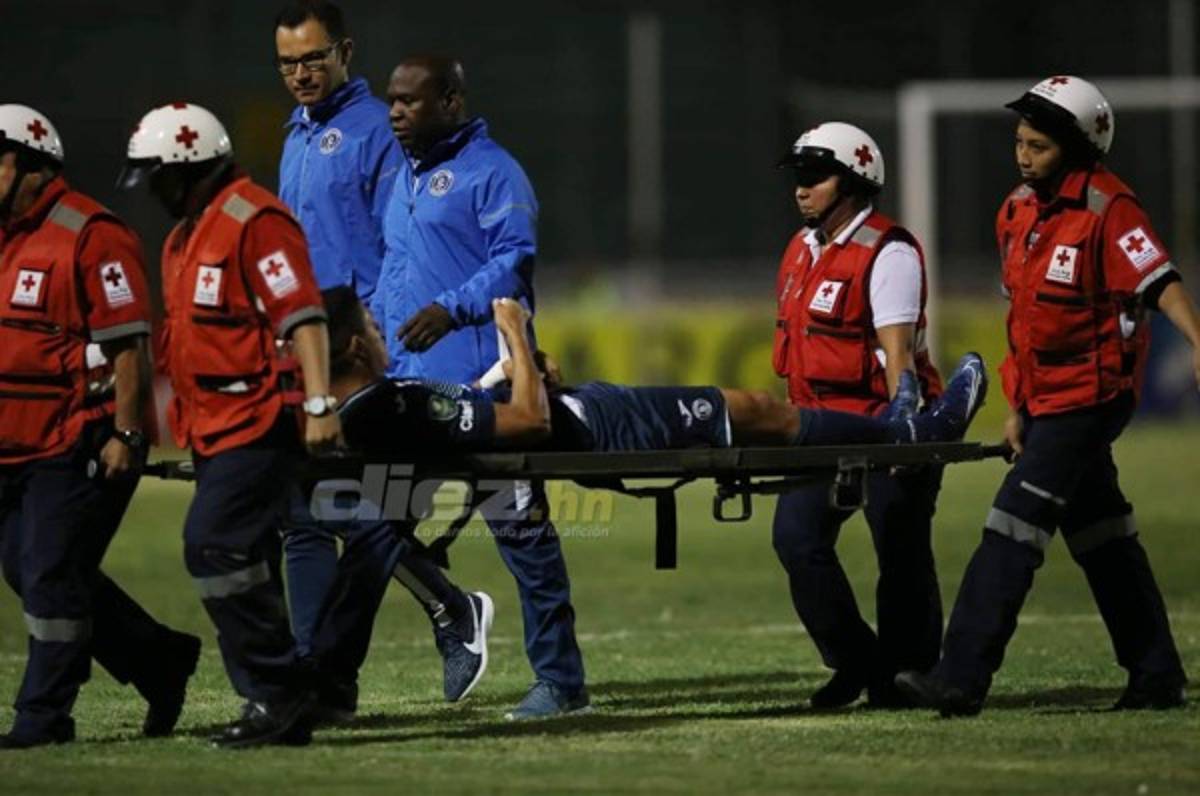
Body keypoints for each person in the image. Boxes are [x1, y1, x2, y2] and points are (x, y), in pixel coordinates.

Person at [896, 76, 1200, 716]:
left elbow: (1160, 280)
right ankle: (1156, 674)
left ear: (1079, 145)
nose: (1023, 155)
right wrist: (1020, 408)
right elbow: (1028, 326)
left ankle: (961, 677)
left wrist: (1199, 340)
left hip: (1090, 397)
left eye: (1037, 145)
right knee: (1101, 534)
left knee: (1013, 524)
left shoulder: (1108, 210)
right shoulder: (1017, 212)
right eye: (1018, 142)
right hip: (1048, 401)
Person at [119, 102, 342, 748]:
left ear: (191, 167)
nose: (154, 193)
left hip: (260, 419)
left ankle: (281, 690)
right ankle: (273, 703)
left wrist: (321, 404)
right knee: (245, 556)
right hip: (212, 426)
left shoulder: (254, 221)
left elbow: (302, 315)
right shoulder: (184, 237)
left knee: (213, 544)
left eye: (158, 178)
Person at [376, 55, 588, 719]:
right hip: (410, 389)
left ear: (452, 102)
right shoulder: (400, 180)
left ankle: (561, 683)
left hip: (487, 388)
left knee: (525, 541)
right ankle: (453, 611)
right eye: (392, 101)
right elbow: (390, 275)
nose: (396, 112)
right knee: (369, 529)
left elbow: (515, 265)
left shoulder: (494, 172)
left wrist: (453, 306)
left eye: (412, 101)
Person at [0, 105, 200, 748]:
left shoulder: (90, 234)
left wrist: (128, 434)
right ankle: (159, 659)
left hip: (78, 435)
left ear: (34, 167)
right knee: (30, 568)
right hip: (14, 440)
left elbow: (129, 349)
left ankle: (42, 717)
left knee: (52, 571)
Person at [322, 287, 988, 466]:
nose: (385, 337)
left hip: (587, 413)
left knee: (758, 408)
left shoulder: (379, 404)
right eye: (374, 331)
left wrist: (519, 370)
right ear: (354, 347)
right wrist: (517, 337)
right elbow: (528, 422)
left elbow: (488, 412)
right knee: (758, 408)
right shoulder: (385, 406)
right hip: (597, 430)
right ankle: (910, 435)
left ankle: (898, 432)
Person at [273, 0, 428, 717]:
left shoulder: (372, 132)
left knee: (342, 508)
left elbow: (399, 238)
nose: (301, 74)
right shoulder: (297, 135)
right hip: (313, 348)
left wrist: (386, 334)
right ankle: (320, 674)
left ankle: (447, 606)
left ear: (345, 52)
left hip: (363, 347)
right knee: (307, 511)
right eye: (288, 63)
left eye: (313, 58)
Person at [770, 122, 947, 708]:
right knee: (796, 538)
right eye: (798, 177)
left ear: (853, 181)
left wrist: (904, 437)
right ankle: (858, 662)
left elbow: (898, 356)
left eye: (814, 178)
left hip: (881, 424)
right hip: (818, 424)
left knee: (899, 549)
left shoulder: (887, 250)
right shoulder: (801, 249)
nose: (801, 190)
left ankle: (910, 672)